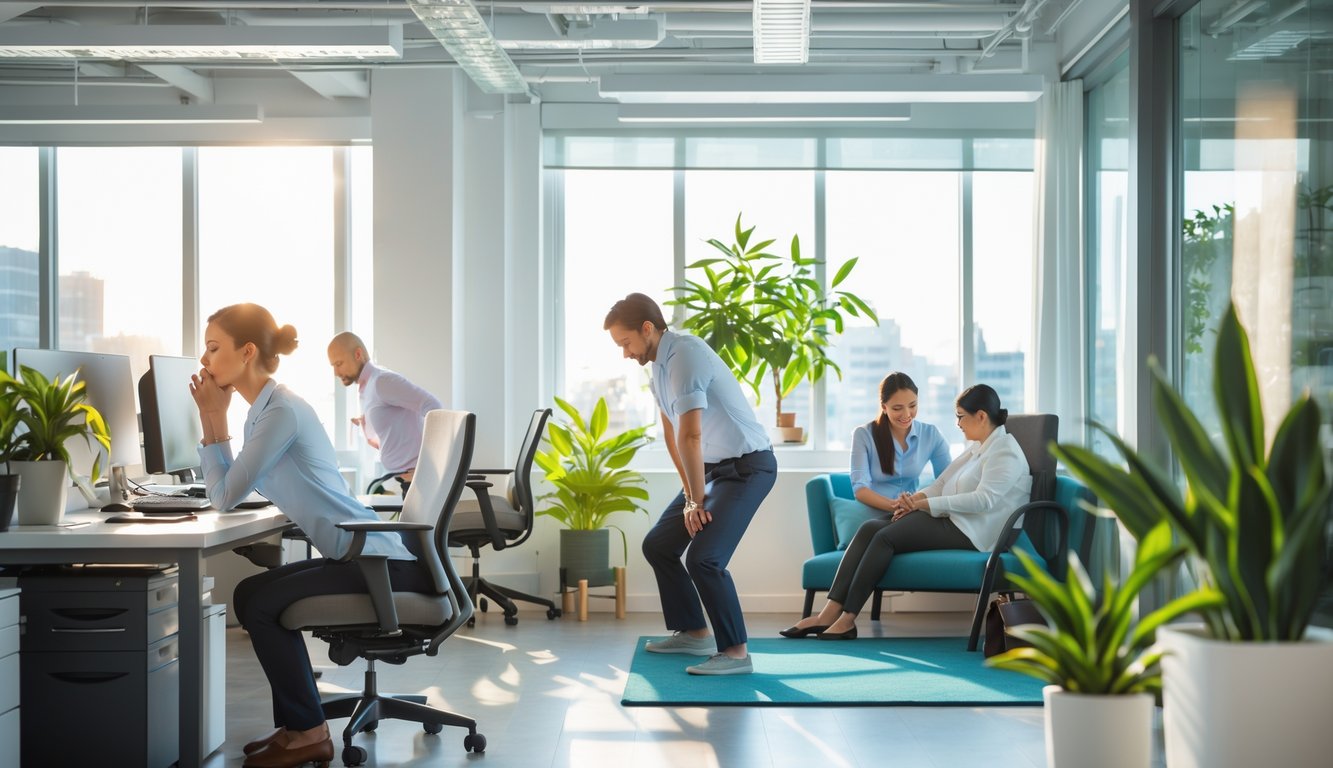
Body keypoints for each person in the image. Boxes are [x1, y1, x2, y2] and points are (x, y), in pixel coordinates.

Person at [192, 304, 433, 768]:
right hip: (360, 552)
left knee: (260, 604)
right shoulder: (266, 411)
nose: (204, 360)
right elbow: (233, 488)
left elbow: (222, 496)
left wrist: (211, 417)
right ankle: (298, 726)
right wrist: (218, 421)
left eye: (213, 348)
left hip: (376, 562)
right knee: (250, 594)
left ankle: (309, 733)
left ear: (246, 352)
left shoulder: (280, 412)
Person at [605, 292, 777, 676]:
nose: (625, 353)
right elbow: (672, 436)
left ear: (647, 329)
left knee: (705, 559)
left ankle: (736, 653)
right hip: (714, 469)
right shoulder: (658, 368)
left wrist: (697, 502)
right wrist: (689, 497)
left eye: (626, 343)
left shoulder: (686, 354)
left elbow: (691, 435)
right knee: (659, 545)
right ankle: (695, 633)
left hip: (750, 467)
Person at [782, 383, 1031, 640]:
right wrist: (913, 500)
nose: (957, 423)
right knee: (869, 528)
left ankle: (847, 619)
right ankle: (827, 614)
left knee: (885, 537)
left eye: (960, 416)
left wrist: (924, 506)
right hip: (956, 520)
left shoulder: (1005, 452)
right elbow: (941, 484)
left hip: (975, 531)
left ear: (980, 416)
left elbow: (983, 501)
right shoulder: (978, 447)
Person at [327, 331, 442, 497]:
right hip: (400, 481)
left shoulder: (382, 381)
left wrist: (426, 465)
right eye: (333, 366)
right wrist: (366, 424)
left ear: (358, 354)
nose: (336, 373)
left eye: (339, 364)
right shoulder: (367, 387)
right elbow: (393, 433)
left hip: (417, 482)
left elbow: (433, 406)